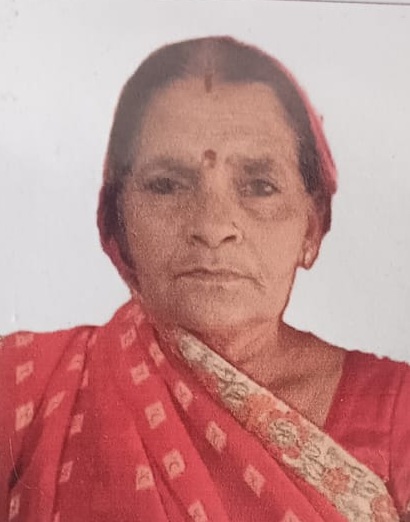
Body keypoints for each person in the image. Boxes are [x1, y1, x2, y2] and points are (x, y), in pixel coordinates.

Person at [0, 36, 409, 522]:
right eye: (167, 185)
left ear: (312, 227)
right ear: (115, 223)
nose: (213, 226)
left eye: (259, 186)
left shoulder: (397, 410)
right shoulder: (23, 387)